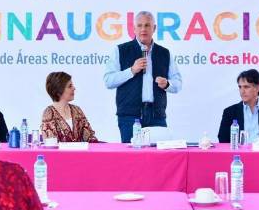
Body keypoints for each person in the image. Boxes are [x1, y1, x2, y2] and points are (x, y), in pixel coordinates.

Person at [104, 11, 182, 143]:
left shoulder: (164, 53)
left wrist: (167, 84)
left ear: (154, 28)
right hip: (130, 118)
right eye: (139, 25)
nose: (143, 29)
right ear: (134, 29)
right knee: (131, 155)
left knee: (159, 155)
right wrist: (131, 70)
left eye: (147, 25)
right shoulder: (120, 50)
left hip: (157, 116)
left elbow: (178, 83)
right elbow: (108, 81)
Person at [217, 69, 259, 143]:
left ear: (258, 88)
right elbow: (223, 140)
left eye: (246, 87)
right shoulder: (229, 112)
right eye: (240, 87)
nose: (242, 91)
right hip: (239, 150)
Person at [41, 71, 98, 143]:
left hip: (81, 151)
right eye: (70, 86)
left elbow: (89, 137)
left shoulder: (77, 110)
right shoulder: (49, 113)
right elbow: (51, 144)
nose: (74, 88)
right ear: (59, 90)